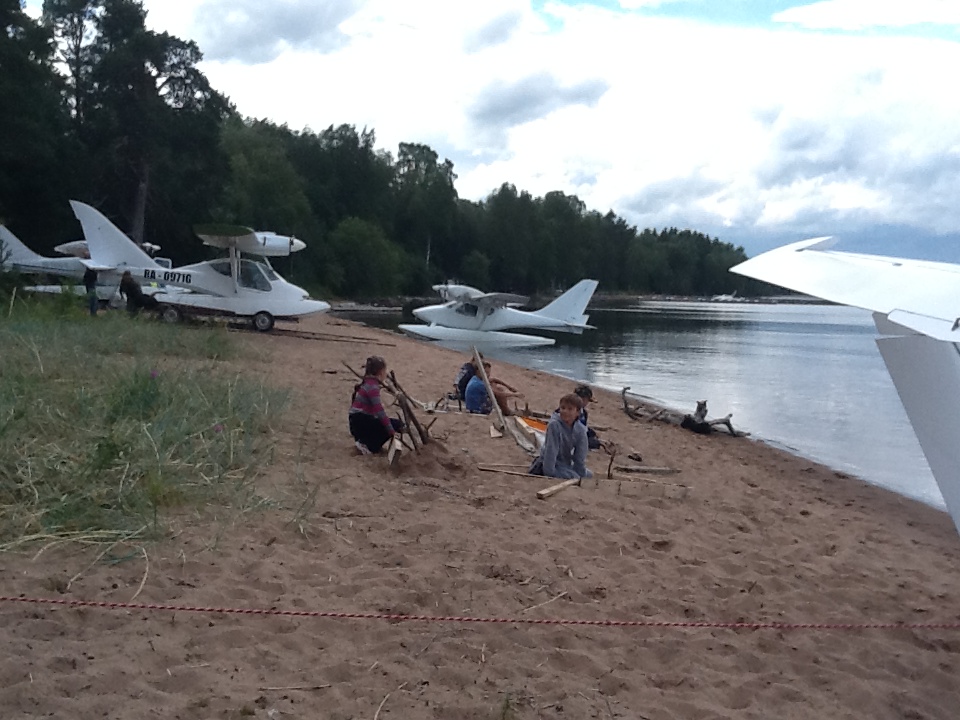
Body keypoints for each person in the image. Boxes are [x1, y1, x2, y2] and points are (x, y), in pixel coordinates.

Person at [528, 393, 593, 479]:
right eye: (563, 408)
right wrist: (549, 472)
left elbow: (580, 456)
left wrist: (581, 472)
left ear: (577, 412)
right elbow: (550, 451)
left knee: (588, 475)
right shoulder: (554, 425)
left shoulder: (580, 430)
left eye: (570, 409)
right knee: (573, 476)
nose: (565, 411)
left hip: (565, 462)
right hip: (552, 463)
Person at [349, 355, 404, 454]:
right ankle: (368, 445)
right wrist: (391, 431)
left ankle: (367, 442)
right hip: (360, 421)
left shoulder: (368, 382)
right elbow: (380, 412)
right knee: (395, 424)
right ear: (380, 372)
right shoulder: (372, 387)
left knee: (388, 423)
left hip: (356, 420)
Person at [572, 384, 603, 450]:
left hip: (580, 433)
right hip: (573, 436)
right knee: (595, 443)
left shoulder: (584, 412)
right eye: (587, 400)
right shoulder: (571, 410)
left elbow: (583, 427)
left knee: (592, 434)